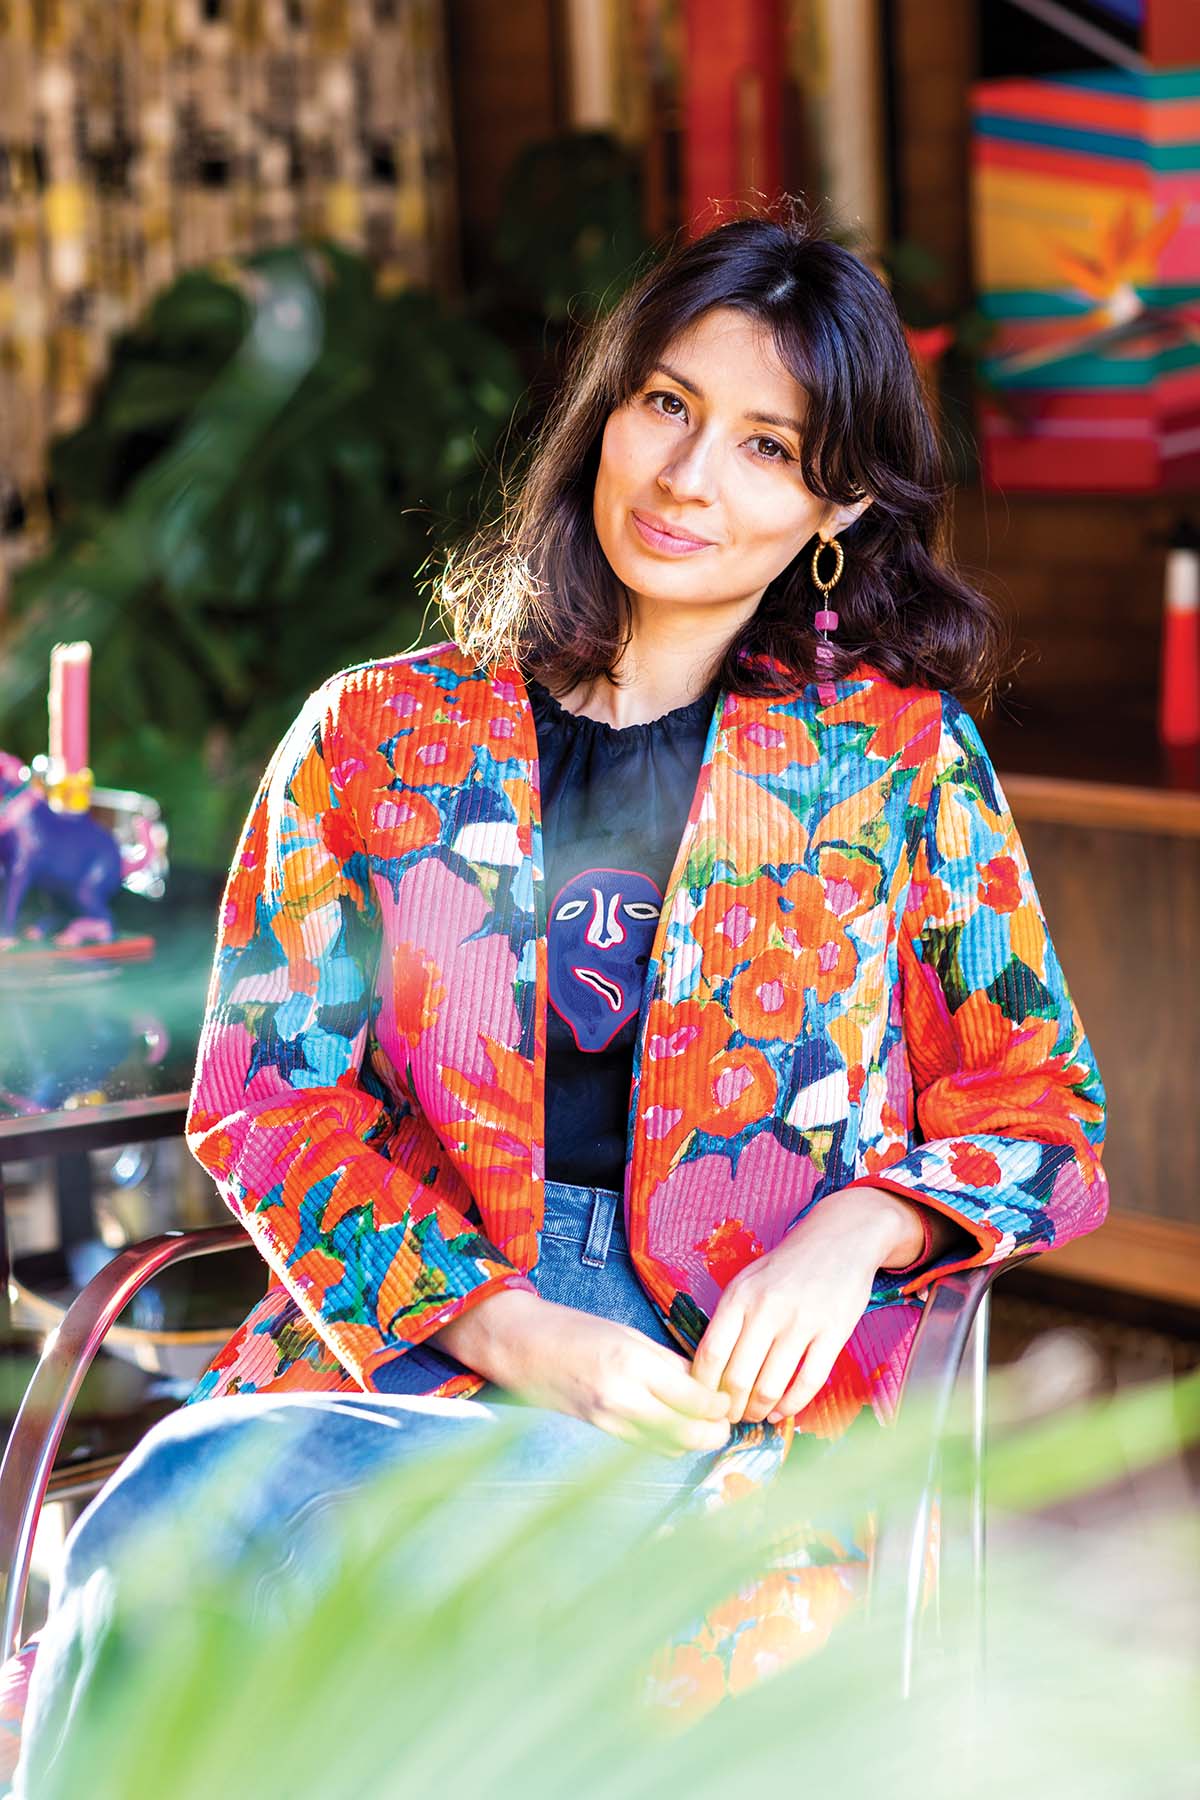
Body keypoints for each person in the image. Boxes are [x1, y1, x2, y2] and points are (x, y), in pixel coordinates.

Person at [12, 205, 1109, 1786]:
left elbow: (1043, 1107)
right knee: (170, 1527)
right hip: (409, 1333)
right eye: (665, 406)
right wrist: (514, 1327)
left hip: (718, 1396)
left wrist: (852, 1232)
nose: (685, 477)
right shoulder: (380, 738)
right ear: (607, 409)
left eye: (765, 444)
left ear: (836, 502)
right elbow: (273, 1096)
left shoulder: (890, 765)